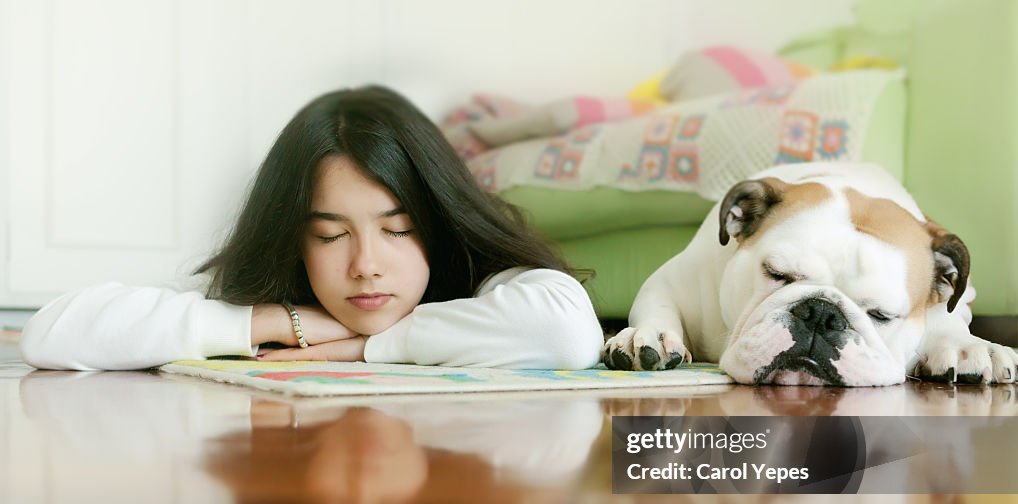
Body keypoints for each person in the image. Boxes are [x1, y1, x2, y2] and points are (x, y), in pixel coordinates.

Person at [20, 85, 603, 371]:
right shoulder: (281, 295)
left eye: (398, 230)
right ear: (293, 238)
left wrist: (362, 349)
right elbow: (50, 333)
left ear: (439, 221)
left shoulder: (479, 276)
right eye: (330, 235)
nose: (366, 264)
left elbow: (567, 335)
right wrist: (288, 323)